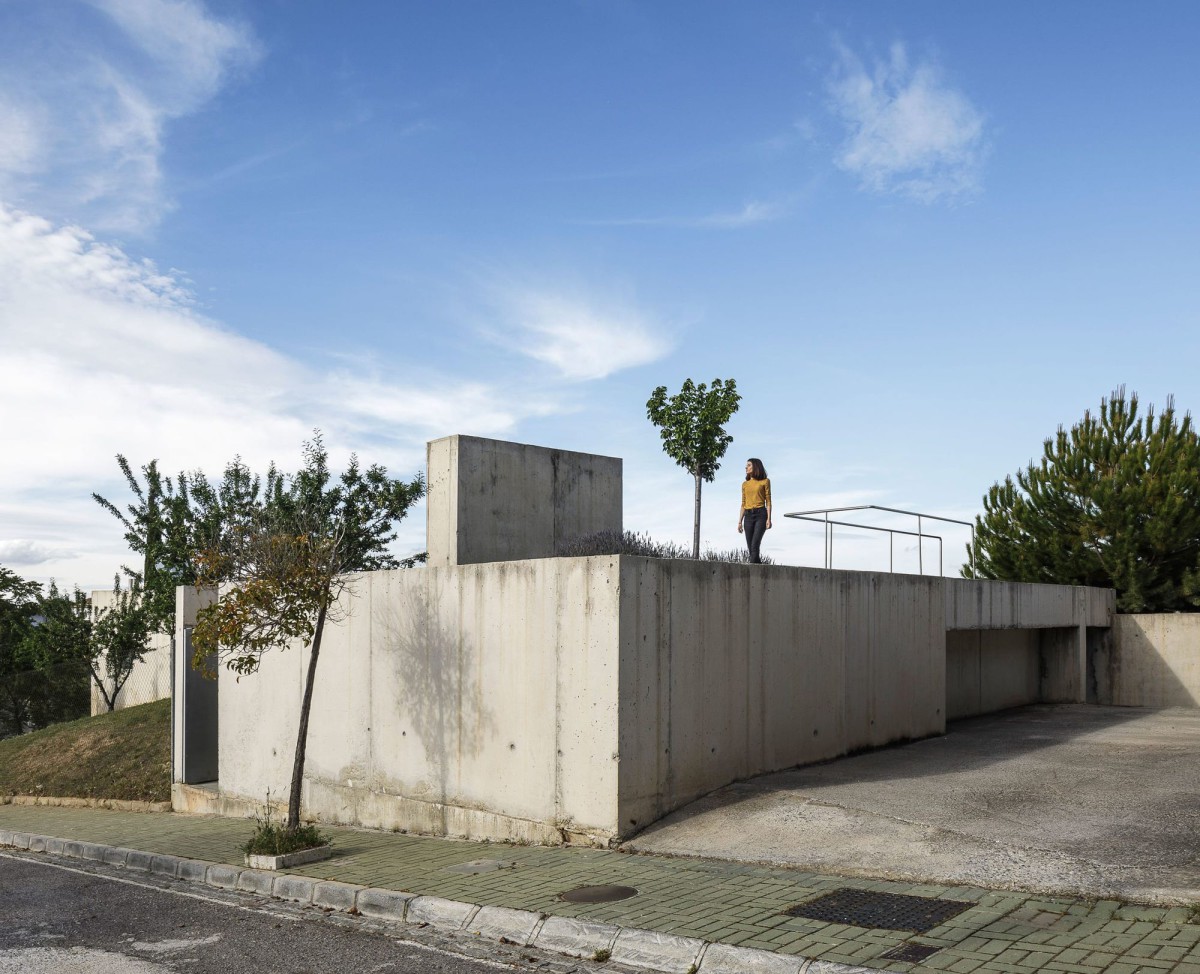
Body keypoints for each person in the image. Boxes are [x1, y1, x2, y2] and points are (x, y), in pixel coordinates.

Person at [737, 458, 772, 564]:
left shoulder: (765, 481)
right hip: (748, 516)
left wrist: (769, 519)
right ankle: (760, 570)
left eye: (748, 465)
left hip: (761, 515)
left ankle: (751, 573)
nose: (746, 467)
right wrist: (739, 522)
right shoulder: (745, 484)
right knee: (751, 548)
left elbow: (768, 501)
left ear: (755, 467)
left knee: (754, 545)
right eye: (746, 465)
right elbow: (743, 503)